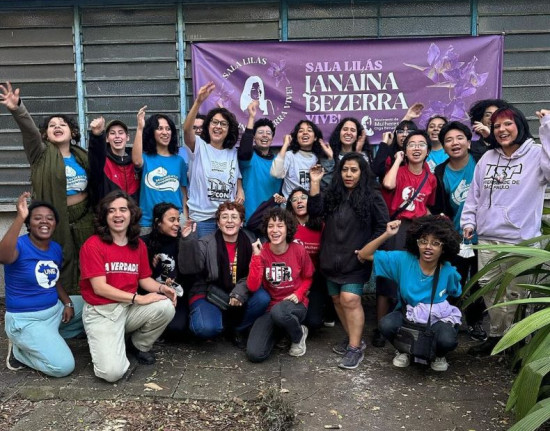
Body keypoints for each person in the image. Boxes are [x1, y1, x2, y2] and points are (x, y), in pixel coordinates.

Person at [461, 106, 550, 356]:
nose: (502, 130)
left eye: (508, 124)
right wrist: (468, 222)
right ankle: (497, 336)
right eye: (497, 125)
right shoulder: (488, 158)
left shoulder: (536, 154)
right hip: (488, 238)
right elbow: (474, 195)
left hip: (521, 241)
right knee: (491, 291)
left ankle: (519, 341)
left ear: (520, 125)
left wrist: (547, 127)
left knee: (518, 294)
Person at [0, 81, 94, 295]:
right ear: (45, 135)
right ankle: (63, 304)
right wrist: (17, 109)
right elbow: (29, 131)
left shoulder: (82, 157)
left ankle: (85, 305)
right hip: (55, 216)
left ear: (72, 132)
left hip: (84, 218)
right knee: (59, 259)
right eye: (52, 125)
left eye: (63, 124)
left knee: (86, 261)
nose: (57, 127)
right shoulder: (40, 154)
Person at [79, 191, 176, 382]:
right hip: (102, 312)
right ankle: (110, 342)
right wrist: (139, 298)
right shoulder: (93, 245)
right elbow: (99, 288)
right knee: (112, 373)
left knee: (165, 305)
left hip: (127, 309)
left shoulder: (137, 245)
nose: (118, 215)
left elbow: (144, 279)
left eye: (123, 209)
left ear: (131, 214)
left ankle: (138, 345)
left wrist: (162, 289)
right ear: (104, 216)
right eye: (111, 211)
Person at [308, 153, 389, 369]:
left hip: (356, 260)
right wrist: (315, 183)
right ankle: (355, 339)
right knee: (337, 300)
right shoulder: (333, 194)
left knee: (350, 299)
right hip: (330, 258)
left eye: (354, 170)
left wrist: (366, 250)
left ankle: (354, 349)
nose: (349, 174)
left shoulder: (372, 196)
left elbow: (382, 226)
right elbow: (314, 213)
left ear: (362, 172)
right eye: (345, 170)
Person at [357, 216, 462, 371]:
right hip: (408, 316)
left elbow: (455, 292)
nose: (428, 247)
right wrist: (387, 234)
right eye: (423, 241)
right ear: (416, 242)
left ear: (444, 247)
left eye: (435, 243)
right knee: (386, 324)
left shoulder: (448, 271)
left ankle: (439, 354)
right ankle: (403, 349)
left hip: (436, 319)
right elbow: (364, 254)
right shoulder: (403, 260)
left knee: (447, 339)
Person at [2, 192, 84, 377]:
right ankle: (20, 352)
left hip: (53, 311)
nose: (44, 222)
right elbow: (3, 257)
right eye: (37, 218)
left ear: (55, 223)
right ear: (28, 223)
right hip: (27, 320)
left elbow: (52, 281)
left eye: (49, 218)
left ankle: (48, 339)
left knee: (93, 306)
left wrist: (67, 303)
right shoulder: (19, 245)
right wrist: (19, 217)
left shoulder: (54, 248)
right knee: (63, 367)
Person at [179, 201, 270, 348]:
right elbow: (189, 269)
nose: (229, 221)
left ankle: (238, 329)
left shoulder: (251, 241)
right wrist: (188, 241)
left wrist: (240, 291)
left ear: (241, 222)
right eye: (224, 217)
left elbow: (254, 273)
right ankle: (219, 323)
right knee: (206, 328)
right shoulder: (206, 242)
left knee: (262, 298)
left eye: (234, 217)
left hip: (240, 290)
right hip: (208, 292)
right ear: (218, 223)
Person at [431, 121, 487, 342]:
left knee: (481, 281)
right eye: (449, 140)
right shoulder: (441, 170)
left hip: (486, 236)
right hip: (458, 238)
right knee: (455, 280)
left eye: (459, 138)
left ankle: (475, 322)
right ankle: (451, 320)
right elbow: (441, 207)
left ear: (468, 140)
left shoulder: (482, 159)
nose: (455, 143)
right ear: (443, 146)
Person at [246, 208, 315, 362]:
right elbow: (252, 286)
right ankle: (281, 331)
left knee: (280, 312)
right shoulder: (261, 252)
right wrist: (256, 257)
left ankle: (298, 335)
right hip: (271, 307)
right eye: (271, 226)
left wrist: (299, 293)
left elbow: (308, 277)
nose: (275, 230)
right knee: (255, 354)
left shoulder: (298, 250)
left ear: (287, 228)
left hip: (295, 304)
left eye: (280, 226)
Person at [183, 82, 244, 238]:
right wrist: (198, 102)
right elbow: (186, 129)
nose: (218, 127)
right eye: (214, 122)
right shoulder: (198, 146)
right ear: (207, 126)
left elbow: (235, 175)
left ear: (229, 129)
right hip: (202, 220)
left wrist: (240, 189)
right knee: (202, 261)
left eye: (223, 124)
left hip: (226, 220)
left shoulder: (232, 152)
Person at [286, 187, 335, 330]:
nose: (299, 202)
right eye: (294, 200)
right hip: (292, 278)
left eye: (303, 198)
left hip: (316, 279)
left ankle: (327, 310)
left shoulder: (322, 226)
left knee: (313, 323)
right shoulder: (287, 227)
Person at [132, 107, 188, 232]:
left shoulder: (179, 161)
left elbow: (183, 193)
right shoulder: (145, 158)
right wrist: (140, 128)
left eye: (168, 129)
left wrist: (184, 217)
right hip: (148, 221)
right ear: (152, 132)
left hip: (176, 220)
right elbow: (136, 161)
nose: (165, 132)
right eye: (160, 128)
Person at [142, 203, 189, 340]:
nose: (177, 224)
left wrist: (188, 242)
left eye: (178, 220)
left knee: (177, 328)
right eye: (171, 220)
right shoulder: (143, 243)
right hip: (151, 295)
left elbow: (190, 273)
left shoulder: (181, 241)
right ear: (158, 222)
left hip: (177, 295)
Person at [238, 101, 282, 224]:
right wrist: (251, 117)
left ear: (272, 138)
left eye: (268, 133)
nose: (264, 136)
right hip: (249, 220)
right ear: (254, 137)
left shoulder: (278, 162)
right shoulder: (249, 157)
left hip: (272, 222)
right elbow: (244, 150)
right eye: (260, 133)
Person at [270, 119, 332, 199]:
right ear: (296, 137)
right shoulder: (290, 155)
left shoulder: (318, 158)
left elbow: (327, 183)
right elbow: (276, 173)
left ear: (315, 137)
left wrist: (330, 157)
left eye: (309, 130)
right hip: (290, 206)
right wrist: (285, 145)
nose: (305, 133)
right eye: (301, 131)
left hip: (312, 205)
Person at [88, 117, 140, 208]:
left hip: (134, 217)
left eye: (121, 132)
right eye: (112, 133)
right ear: (107, 139)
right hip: (109, 217)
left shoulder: (136, 161)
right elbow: (95, 154)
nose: (117, 136)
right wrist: (97, 135)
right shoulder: (102, 161)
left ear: (127, 137)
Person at [321, 117, 373, 188]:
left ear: (357, 135)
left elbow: (367, 182)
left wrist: (358, 153)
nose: (348, 133)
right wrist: (330, 159)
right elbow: (325, 186)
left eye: (353, 130)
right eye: (345, 129)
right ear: (339, 133)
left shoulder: (363, 155)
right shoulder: (328, 155)